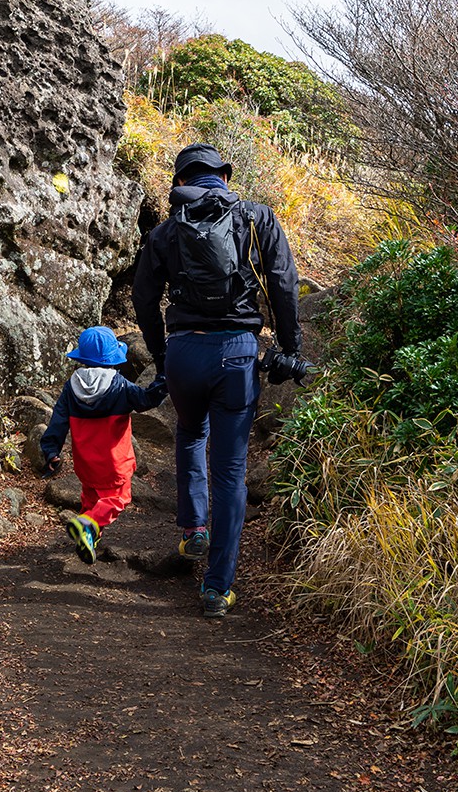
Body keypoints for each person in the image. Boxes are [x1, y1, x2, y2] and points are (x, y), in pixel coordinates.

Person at [132, 142, 303, 618]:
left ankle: (193, 530)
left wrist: (163, 354)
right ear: (224, 176)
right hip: (238, 354)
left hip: (185, 350)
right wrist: (290, 348)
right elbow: (284, 282)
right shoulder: (255, 217)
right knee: (230, 470)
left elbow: (144, 299)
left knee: (189, 433)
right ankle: (217, 588)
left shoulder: (166, 231)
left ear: (180, 182)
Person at [39, 325, 168, 564]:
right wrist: (164, 378)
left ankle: (88, 539)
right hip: (114, 462)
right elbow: (147, 400)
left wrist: (51, 450)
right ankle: (86, 525)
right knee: (118, 499)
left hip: (85, 463)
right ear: (113, 359)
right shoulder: (120, 386)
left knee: (91, 500)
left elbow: (57, 420)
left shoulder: (71, 387)